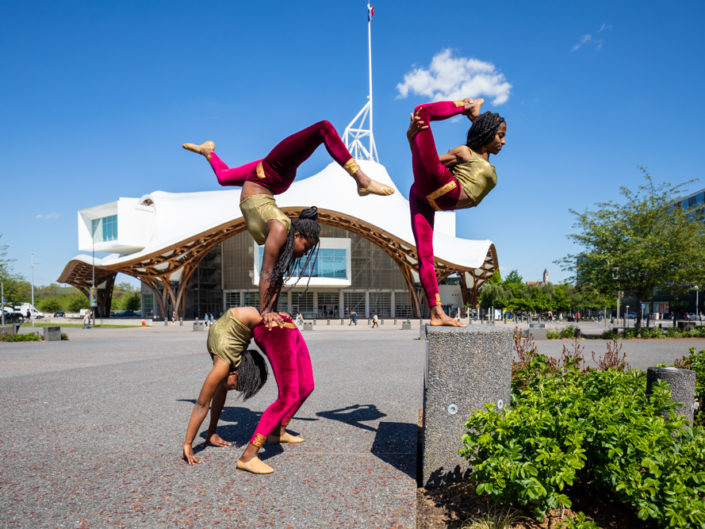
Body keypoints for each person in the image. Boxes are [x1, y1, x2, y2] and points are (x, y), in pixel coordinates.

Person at [183, 121, 395, 327]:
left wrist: (272, 311)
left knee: (223, 177)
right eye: (307, 247)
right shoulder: (280, 228)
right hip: (273, 171)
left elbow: (275, 275)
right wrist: (265, 312)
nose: (304, 254)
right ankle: (362, 180)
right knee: (323, 128)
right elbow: (265, 272)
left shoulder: (282, 235)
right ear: (297, 236)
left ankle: (208, 152)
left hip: (261, 181)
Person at [406, 98, 506, 327]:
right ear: (488, 134)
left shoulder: (479, 158)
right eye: (500, 135)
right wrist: (412, 137)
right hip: (439, 184)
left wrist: (412, 137)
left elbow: (423, 160)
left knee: (425, 256)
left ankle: (437, 313)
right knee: (422, 111)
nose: (503, 141)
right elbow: (424, 160)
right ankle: (465, 106)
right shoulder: (464, 153)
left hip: (429, 200)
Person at [182, 307, 268, 466]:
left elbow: (219, 397)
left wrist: (211, 432)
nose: (232, 389)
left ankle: (211, 433)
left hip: (230, 329)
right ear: (234, 374)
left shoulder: (228, 370)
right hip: (242, 318)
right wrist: (188, 443)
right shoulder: (222, 366)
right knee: (272, 318)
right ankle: (268, 310)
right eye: (235, 387)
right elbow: (201, 404)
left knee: (221, 388)